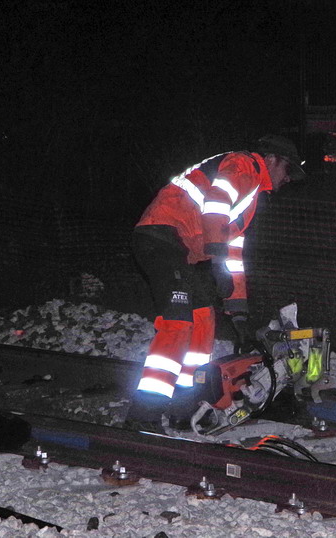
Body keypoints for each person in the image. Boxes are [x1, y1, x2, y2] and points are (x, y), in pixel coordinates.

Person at [128, 134, 304, 429]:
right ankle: (144, 414)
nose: (288, 178)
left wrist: (238, 312)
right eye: (289, 169)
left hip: (181, 250)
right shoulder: (244, 165)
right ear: (271, 159)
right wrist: (217, 258)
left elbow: (233, 251)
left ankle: (186, 406)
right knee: (178, 323)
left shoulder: (250, 197)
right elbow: (215, 206)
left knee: (204, 321)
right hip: (161, 236)